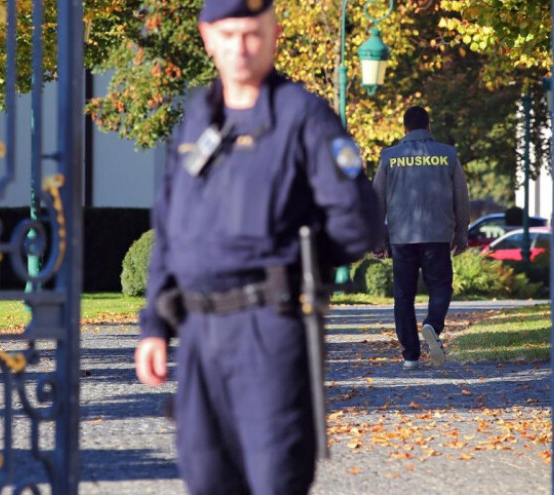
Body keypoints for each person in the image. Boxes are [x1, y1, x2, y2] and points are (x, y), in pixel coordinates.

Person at [133, 1, 381, 493]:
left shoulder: (302, 116)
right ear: (208, 38)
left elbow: (358, 222)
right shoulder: (197, 118)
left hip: (271, 329)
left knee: (273, 479)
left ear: (273, 34)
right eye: (229, 34)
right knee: (206, 477)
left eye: (252, 33)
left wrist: (293, 265)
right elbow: (170, 226)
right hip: (200, 334)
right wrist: (154, 327)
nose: (240, 47)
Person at [372, 106, 470, 370]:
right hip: (437, 234)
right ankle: (432, 324)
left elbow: (376, 199)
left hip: (402, 236)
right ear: (429, 126)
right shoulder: (448, 155)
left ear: (404, 129)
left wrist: (377, 239)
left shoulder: (389, 157)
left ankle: (410, 356)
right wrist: (461, 234)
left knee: (403, 296)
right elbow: (462, 195)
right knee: (440, 287)